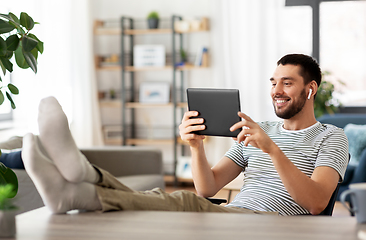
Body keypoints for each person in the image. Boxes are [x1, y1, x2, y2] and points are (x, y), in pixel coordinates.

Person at [21, 53, 348, 216]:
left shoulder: (331, 137)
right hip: (230, 216)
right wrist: (196, 147)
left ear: (310, 89)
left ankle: (79, 184)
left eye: (287, 83)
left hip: (265, 224)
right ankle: (79, 181)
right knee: (157, 201)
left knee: (174, 201)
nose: (276, 90)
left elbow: (317, 202)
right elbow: (207, 187)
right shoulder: (258, 129)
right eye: (273, 83)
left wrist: (273, 149)